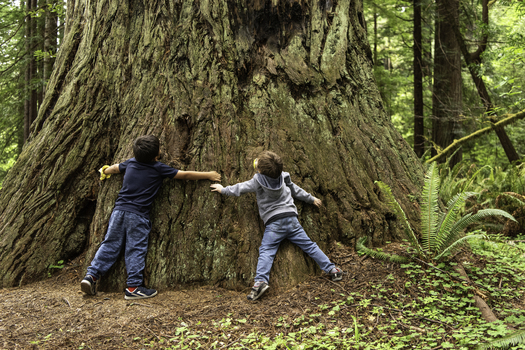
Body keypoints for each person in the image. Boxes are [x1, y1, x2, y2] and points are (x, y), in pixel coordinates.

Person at [81, 135, 221, 300]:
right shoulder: (158, 168)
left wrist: (104, 171)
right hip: (138, 215)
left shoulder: (130, 162)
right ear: (156, 155)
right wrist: (208, 175)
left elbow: (115, 168)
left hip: (119, 211)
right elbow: (184, 175)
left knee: (110, 244)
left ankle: (91, 276)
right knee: (135, 249)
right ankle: (133, 288)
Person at [210, 151, 342, 301]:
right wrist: (310, 198)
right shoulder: (284, 176)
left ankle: (260, 282)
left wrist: (223, 189)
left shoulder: (257, 181)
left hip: (274, 224)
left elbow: (240, 188)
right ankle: (332, 269)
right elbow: (295, 190)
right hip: (291, 220)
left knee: (267, 250)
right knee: (310, 246)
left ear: (258, 169)